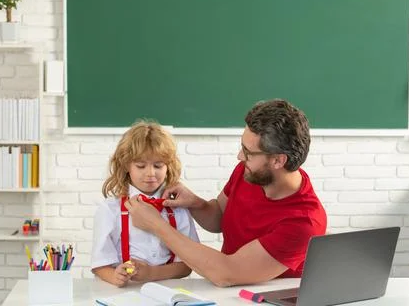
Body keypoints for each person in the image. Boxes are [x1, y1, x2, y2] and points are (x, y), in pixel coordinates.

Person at [125, 99, 327, 287]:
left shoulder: (304, 222)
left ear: (278, 161)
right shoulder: (250, 172)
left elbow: (226, 273)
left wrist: (156, 225)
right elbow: (219, 218)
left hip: (263, 296)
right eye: (242, 147)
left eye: (248, 152)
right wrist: (196, 203)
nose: (240, 156)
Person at [91, 120, 199, 287]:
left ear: (168, 166)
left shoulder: (178, 209)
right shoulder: (109, 210)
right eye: (141, 166)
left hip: (169, 289)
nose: (150, 173)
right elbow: (100, 263)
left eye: (158, 165)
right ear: (127, 165)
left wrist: (152, 274)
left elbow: (188, 265)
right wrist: (114, 276)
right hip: (125, 291)